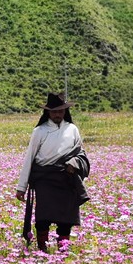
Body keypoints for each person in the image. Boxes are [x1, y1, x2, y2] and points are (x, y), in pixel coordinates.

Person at [15, 93, 90, 253]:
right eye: (54, 112)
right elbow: (29, 158)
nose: (57, 114)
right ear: (48, 112)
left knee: (66, 220)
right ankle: (42, 250)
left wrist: (74, 164)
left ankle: (63, 251)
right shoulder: (40, 131)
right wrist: (21, 187)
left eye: (60, 111)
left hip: (67, 179)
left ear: (65, 112)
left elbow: (80, 153)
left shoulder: (72, 129)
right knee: (43, 217)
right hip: (45, 179)